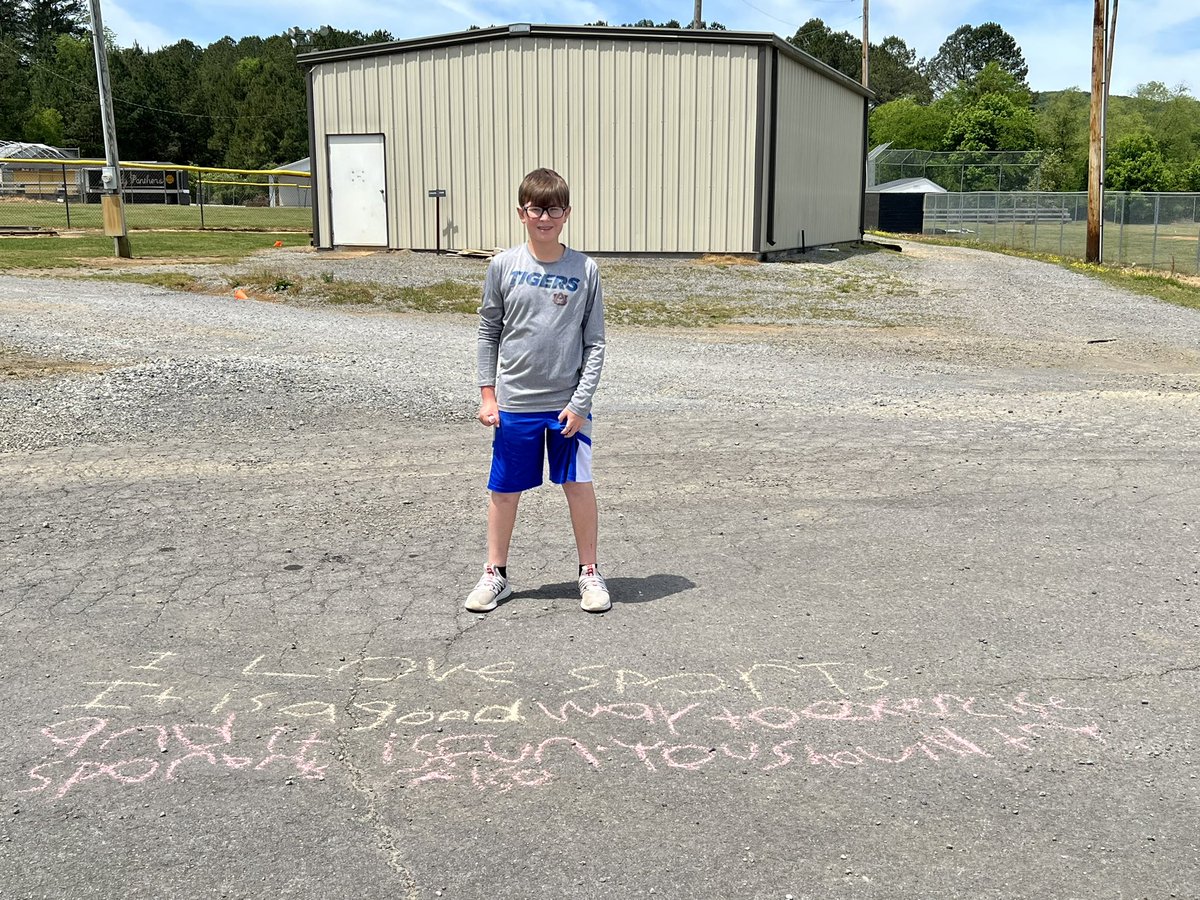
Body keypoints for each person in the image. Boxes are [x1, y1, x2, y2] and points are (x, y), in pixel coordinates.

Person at [465, 167, 609, 614]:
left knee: (578, 485)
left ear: (566, 213)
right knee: (504, 491)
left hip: (566, 407)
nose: (544, 218)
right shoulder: (504, 265)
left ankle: (589, 572)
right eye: (535, 209)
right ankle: (496, 574)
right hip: (514, 405)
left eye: (553, 209)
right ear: (521, 213)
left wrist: (580, 404)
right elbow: (489, 331)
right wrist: (488, 395)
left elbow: (596, 341)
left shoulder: (585, 269)